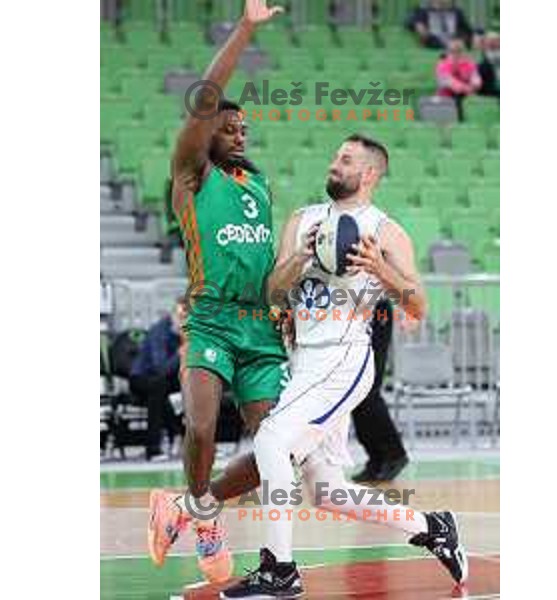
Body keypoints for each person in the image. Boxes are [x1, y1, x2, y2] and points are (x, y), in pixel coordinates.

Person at [221, 134, 468, 598]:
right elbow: (274, 293)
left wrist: (380, 269)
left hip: (345, 356)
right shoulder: (303, 220)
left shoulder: (386, 231)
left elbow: (418, 306)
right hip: (304, 361)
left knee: (273, 440)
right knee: (327, 491)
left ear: (370, 174)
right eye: (335, 156)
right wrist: (299, 257)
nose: (335, 164)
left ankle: (279, 570)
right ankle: (432, 526)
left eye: (346, 160)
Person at [147, 0, 288, 583]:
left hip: (260, 327)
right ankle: (204, 517)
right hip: (210, 319)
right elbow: (208, 96)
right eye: (226, 127)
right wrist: (247, 27)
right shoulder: (191, 172)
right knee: (201, 427)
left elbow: (268, 262)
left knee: (279, 451)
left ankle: (192, 506)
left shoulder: (256, 183)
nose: (236, 132)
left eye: (243, 128)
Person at [351, 297, 410, 483]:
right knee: (355, 393)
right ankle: (376, 458)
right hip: (353, 311)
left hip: (375, 309)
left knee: (369, 389)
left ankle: (394, 454)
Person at [129, 299, 185, 461]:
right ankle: (153, 449)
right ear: (173, 315)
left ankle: (194, 443)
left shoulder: (185, 332)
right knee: (158, 387)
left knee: (195, 389)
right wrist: (180, 353)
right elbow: (160, 369)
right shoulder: (159, 332)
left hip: (166, 380)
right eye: (182, 317)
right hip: (142, 378)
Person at [436, 37, 482, 122]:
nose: (456, 54)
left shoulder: (469, 64)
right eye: (453, 51)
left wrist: (474, 85)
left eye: (459, 51)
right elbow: (451, 84)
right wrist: (468, 88)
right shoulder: (442, 65)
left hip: (466, 97)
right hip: (447, 99)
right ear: (448, 52)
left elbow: (476, 80)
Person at [407, 0, 473, 50]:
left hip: (453, 40)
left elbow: (466, 29)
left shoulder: (457, 12)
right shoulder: (424, 11)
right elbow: (409, 22)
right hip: (433, 41)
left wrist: (464, 39)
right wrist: (417, 24)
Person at [476, 31, 500, 98]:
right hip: (489, 81)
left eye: (495, 40)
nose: (492, 42)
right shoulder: (482, 54)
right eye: (490, 40)